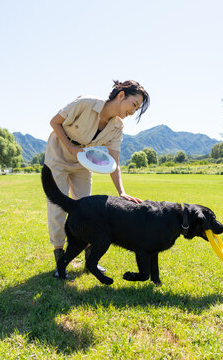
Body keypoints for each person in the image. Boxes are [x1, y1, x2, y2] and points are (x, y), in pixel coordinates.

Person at [44, 80, 150, 278]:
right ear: (121, 95)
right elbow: (54, 122)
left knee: (87, 211)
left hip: (82, 160)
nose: (134, 111)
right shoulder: (85, 103)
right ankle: (60, 257)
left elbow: (114, 163)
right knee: (58, 208)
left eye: (137, 108)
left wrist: (122, 193)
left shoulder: (117, 127)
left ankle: (90, 260)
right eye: (134, 104)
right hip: (58, 155)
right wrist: (71, 148)